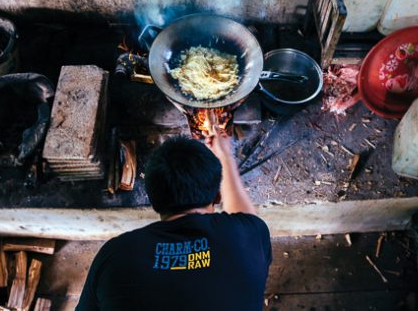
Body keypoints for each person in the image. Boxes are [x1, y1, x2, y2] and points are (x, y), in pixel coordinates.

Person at [76, 127, 272, 310]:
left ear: (153, 201)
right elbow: (245, 217)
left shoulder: (116, 256)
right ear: (218, 196)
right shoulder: (250, 236)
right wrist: (225, 155)